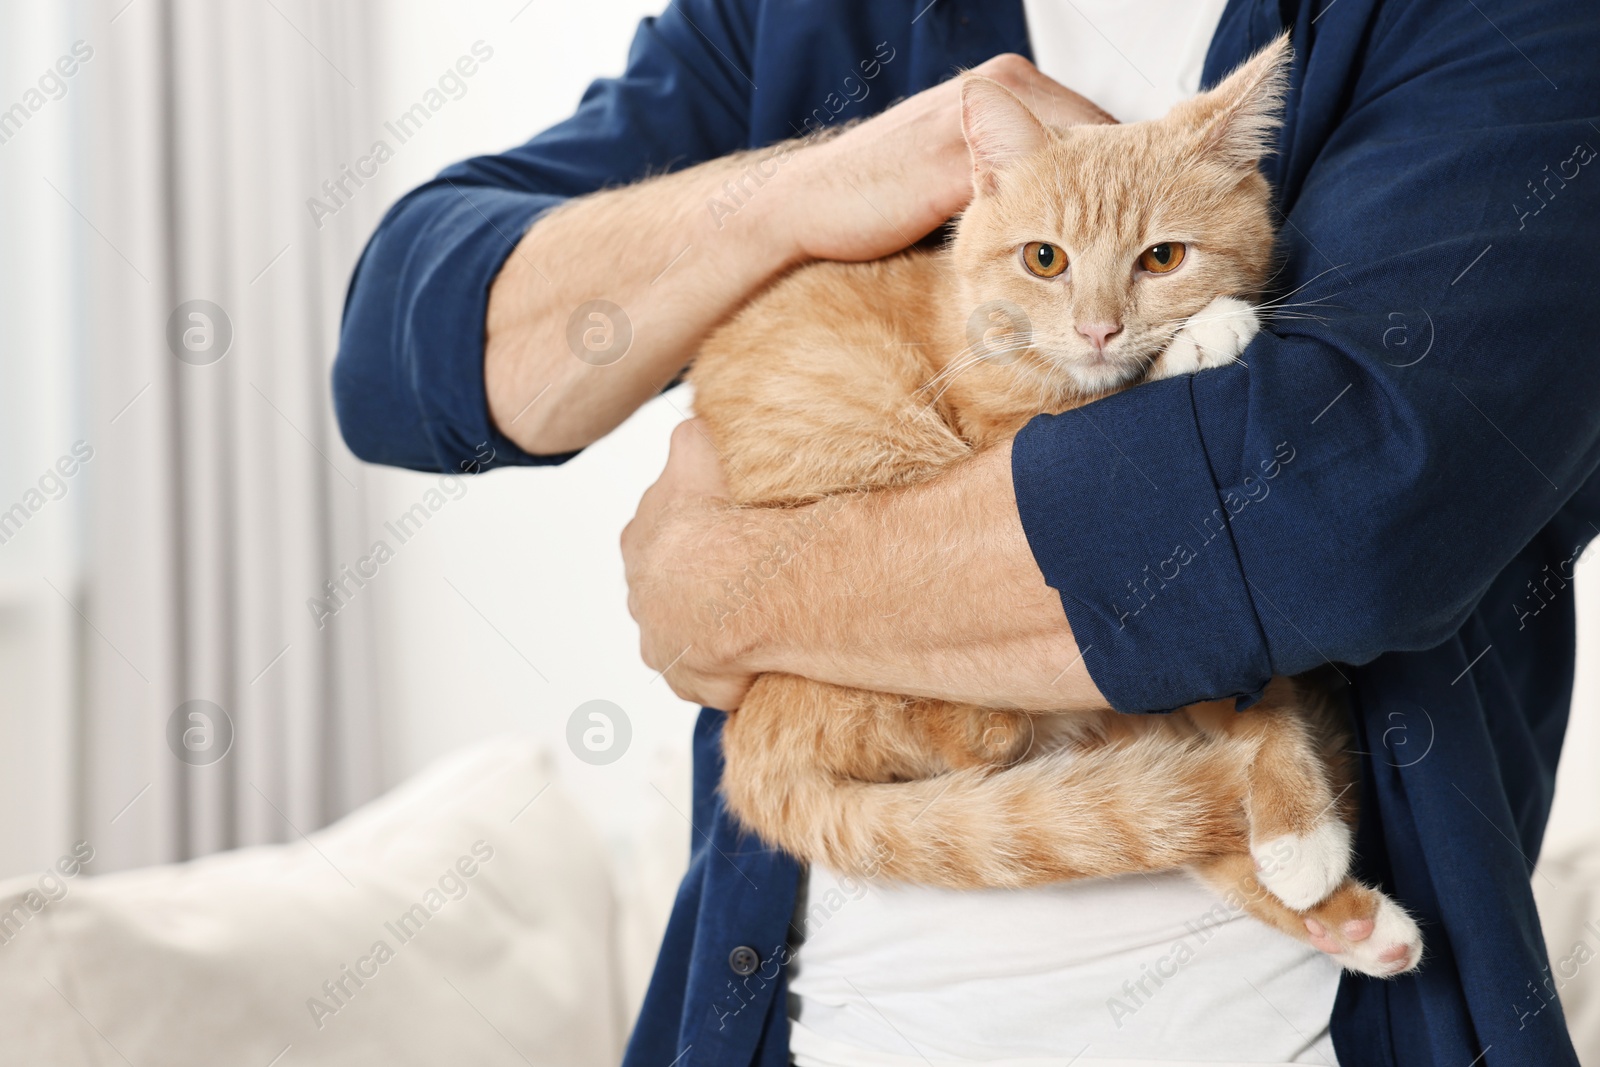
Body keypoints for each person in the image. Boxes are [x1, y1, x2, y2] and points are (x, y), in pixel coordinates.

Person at [332, 1, 1599, 1063]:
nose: (1100, 319)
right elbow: (409, 349)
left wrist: (743, 592)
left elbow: (1342, 516)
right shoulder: (811, 17)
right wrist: (798, 195)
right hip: (809, 1022)